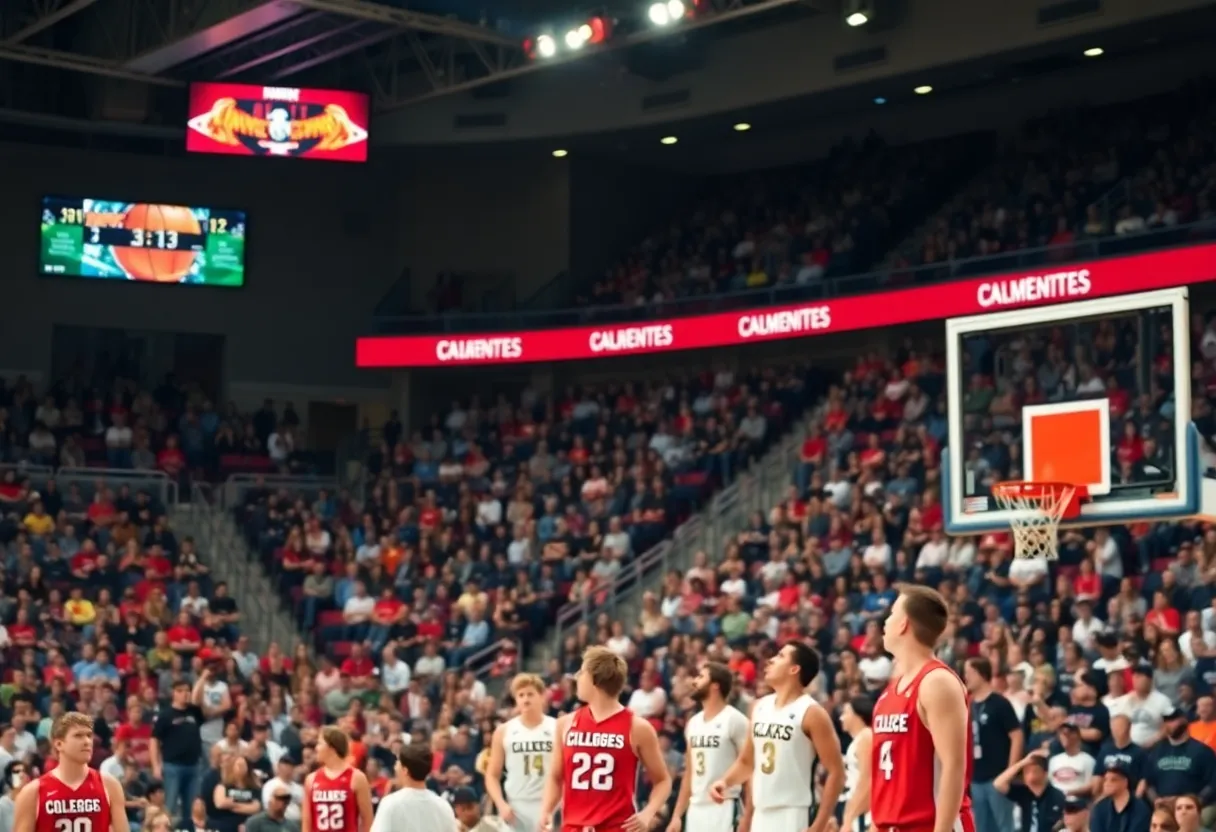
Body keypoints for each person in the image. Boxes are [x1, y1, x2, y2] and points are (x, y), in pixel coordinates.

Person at [870, 584, 976, 832]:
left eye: (891, 614)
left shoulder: (936, 682)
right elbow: (888, 777)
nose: (884, 623)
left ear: (903, 624)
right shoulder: (891, 690)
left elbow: (954, 767)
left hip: (930, 825)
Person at [711, 642, 845, 832]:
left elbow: (837, 772)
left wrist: (819, 825)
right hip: (761, 812)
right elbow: (747, 762)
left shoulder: (811, 712)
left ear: (794, 669)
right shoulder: (759, 706)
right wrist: (725, 781)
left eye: (780, 656)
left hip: (794, 813)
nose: (771, 660)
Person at [540, 646, 672, 832]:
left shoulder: (638, 728)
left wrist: (648, 812)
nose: (577, 676)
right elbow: (555, 777)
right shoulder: (565, 724)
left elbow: (663, 780)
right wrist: (546, 811)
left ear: (595, 679)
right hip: (573, 827)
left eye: (582, 672)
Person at [666, 663, 749, 832]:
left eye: (701, 677)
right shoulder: (693, 723)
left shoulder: (735, 720)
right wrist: (676, 815)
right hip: (696, 808)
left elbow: (749, 767)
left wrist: (748, 816)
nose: (694, 682)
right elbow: (689, 773)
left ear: (715, 685)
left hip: (724, 806)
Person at [13, 712, 130, 832]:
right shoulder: (33, 792)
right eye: (78, 736)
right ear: (59, 744)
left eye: (89, 735)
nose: (87, 741)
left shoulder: (109, 785)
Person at [485, 674, 557, 832]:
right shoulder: (503, 731)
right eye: (521, 695)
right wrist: (501, 804)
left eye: (530, 694)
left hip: (549, 804)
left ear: (542, 696)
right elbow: (492, 775)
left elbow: (566, 771)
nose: (525, 699)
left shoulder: (557, 728)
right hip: (515, 806)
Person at [965, 658, 1023, 832]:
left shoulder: (1000, 703)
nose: (965, 678)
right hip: (976, 777)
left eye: (969, 673)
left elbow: (1017, 736)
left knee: (1005, 827)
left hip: (997, 777)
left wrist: (1010, 771)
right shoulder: (970, 705)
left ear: (982, 675)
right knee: (981, 828)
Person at [150, 679, 205, 825]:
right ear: (174, 693)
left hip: (193, 766)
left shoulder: (194, 712)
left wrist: (203, 678)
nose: (185, 694)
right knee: (170, 806)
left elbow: (199, 700)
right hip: (173, 766)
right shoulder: (166, 715)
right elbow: (154, 740)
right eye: (181, 691)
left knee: (192, 808)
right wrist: (156, 765)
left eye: (187, 691)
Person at [369, 744, 457, 832]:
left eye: (398, 763)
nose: (395, 767)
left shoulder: (390, 803)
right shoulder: (443, 805)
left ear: (405, 770)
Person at [301, 727, 374, 832]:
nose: (316, 748)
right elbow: (306, 823)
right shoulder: (311, 779)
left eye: (320, 743)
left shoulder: (356, 778)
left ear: (332, 747)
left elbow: (367, 821)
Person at [992, 750, 1065, 832]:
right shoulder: (1024, 793)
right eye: (1026, 771)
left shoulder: (1056, 795)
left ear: (1045, 772)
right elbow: (998, 783)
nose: (1030, 774)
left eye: (1034, 770)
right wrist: (1023, 762)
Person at [837, 696, 873, 832]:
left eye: (846, 713)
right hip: (857, 810)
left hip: (865, 814)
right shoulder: (859, 739)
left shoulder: (866, 737)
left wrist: (850, 817)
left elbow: (868, 780)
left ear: (858, 715)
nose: (841, 717)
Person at [1088, 760, 1150, 832]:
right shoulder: (1100, 807)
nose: (1107, 784)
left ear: (1125, 782)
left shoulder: (1140, 808)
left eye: (1113, 780)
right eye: (1105, 780)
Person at [0, 760, 28, 832]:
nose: (21, 774)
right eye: (16, 772)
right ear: (9, 778)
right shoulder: (2, 805)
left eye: (24, 771)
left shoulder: (32, 802)